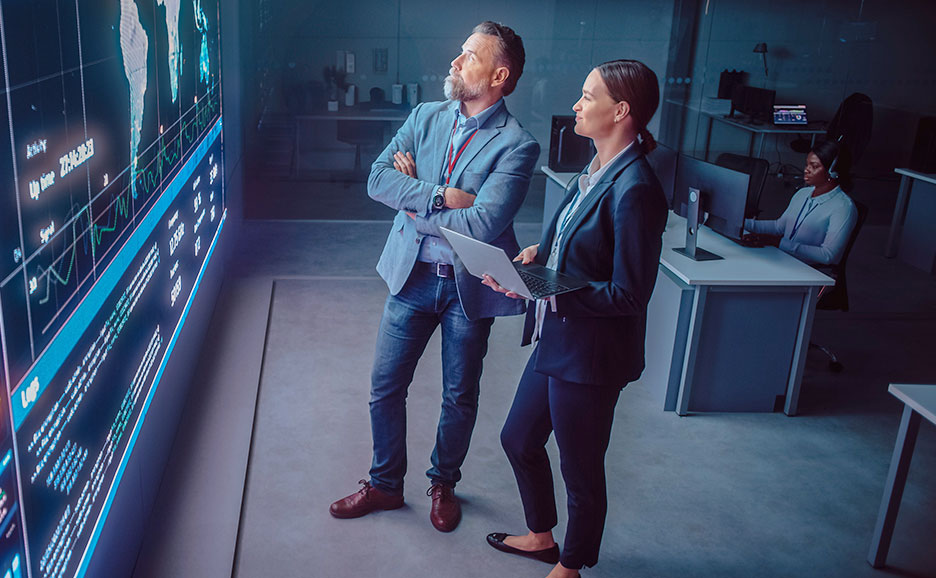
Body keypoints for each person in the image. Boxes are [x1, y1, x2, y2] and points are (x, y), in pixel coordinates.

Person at [328, 21, 539, 533]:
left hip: (469, 287)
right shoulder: (424, 116)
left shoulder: (517, 146)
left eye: (469, 56)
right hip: (412, 276)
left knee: (459, 394)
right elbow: (378, 180)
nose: (455, 62)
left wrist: (414, 196)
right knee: (384, 387)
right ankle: (384, 484)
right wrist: (442, 195)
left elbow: (486, 223)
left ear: (499, 75)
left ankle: (443, 481)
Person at [481, 60, 667, 578]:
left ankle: (572, 563)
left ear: (621, 111)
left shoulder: (636, 190)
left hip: (589, 357)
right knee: (518, 438)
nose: (576, 105)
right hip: (556, 339)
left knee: (580, 470)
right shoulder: (592, 172)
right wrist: (542, 257)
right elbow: (578, 244)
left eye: (587, 97)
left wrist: (548, 291)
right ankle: (541, 535)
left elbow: (630, 294)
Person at [744, 139, 857, 266]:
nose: (806, 170)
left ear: (833, 172)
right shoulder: (802, 193)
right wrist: (742, 222)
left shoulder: (843, 207)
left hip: (807, 270)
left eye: (814, 166)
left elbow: (828, 255)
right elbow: (778, 227)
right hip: (782, 259)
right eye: (806, 164)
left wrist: (777, 242)